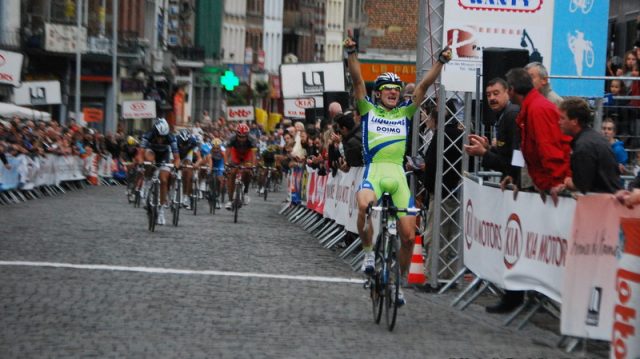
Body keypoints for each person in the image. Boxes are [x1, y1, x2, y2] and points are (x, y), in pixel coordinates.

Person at [344, 32, 452, 306]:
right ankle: (369, 252)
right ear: (378, 94)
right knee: (363, 205)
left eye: (396, 88)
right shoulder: (368, 110)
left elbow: (424, 85)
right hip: (375, 171)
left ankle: (399, 282)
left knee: (407, 236)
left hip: (397, 175)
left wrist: (440, 61)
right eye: (387, 89)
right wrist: (352, 53)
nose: (393, 92)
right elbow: (357, 80)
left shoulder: (405, 111)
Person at [505, 68, 571, 205]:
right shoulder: (532, 108)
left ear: (512, 89)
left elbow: (549, 149)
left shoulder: (537, 109)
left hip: (557, 188)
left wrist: (554, 184)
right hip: (548, 184)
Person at [552, 97, 621, 195]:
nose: (559, 122)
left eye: (563, 118)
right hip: (608, 199)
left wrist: (567, 182)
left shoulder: (583, 146)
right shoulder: (593, 138)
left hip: (601, 203)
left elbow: (583, 185)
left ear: (574, 121)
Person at [138, 118, 180, 225]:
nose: (161, 139)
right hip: (151, 151)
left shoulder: (171, 137)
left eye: (163, 137)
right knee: (150, 161)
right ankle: (147, 183)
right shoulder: (148, 135)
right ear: (155, 132)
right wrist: (141, 163)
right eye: (159, 136)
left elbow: (176, 157)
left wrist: (175, 166)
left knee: (164, 180)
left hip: (164, 155)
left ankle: (161, 210)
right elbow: (140, 153)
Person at [225, 123, 257, 209]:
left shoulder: (252, 139)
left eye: (244, 137)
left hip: (247, 154)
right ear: (236, 134)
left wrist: (253, 166)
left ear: (247, 135)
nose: (241, 139)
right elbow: (227, 152)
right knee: (232, 173)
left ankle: (245, 192)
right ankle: (230, 200)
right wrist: (226, 164)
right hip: (236, 154)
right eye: (239, 137)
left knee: (247, 171)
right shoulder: (231, 138)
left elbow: (253, 155)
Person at [176, 129, 203, 209]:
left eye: (186, 143)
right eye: (182, 143)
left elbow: (199, 158)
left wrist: (196, 164)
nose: (184, 145)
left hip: (188, 154)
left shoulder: (192, 142)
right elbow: (173, 157)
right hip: (177, 154)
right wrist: (177, 164)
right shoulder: (176, 140)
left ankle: (186, 197)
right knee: (172, 172)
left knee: (188, 173)